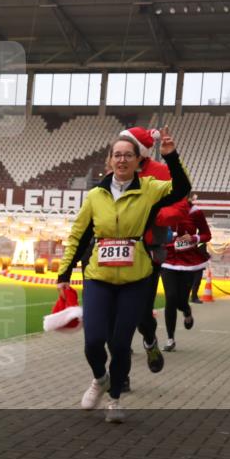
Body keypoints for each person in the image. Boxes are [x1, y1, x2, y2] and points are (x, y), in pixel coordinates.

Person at [57, 128, 190, 423]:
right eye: (117, 155)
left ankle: (114, 399)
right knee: (93, 342)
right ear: (109, 160)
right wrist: (64, 271)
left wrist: (171, 156)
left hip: (135, 279)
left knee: (119, 345)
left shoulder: (151, 188)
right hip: (98, 277)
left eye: (128, 155)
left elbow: (181, 189)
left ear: (138, 160)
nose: (122, 160)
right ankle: (99, 379)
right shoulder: (95, 195)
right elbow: (78, 235)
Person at [159, 195, 211, 352]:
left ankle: (187, 311)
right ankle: (170, 339)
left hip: (188, 261)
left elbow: (206, 234)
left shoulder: (195, 212)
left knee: (181, 300)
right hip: (168, 258)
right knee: (170, 298)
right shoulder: (163, 208)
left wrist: (194, 238)